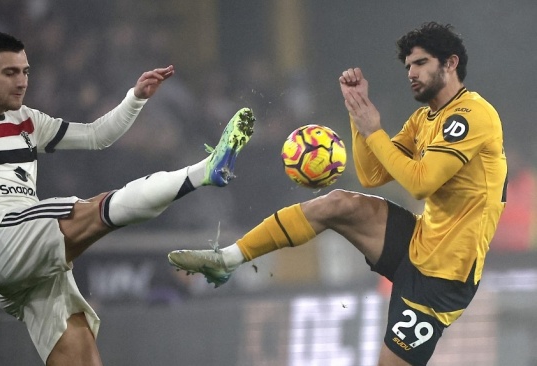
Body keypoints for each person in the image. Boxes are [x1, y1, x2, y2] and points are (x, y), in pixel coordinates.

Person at [0, 30, 256, 366]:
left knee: (81, 353)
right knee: (93, 209)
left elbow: (96, 135)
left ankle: (206, 170)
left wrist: (134, 99)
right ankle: (205, 170)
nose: (22, 82)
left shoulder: (27, 120)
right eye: (10, 73)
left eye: (26, 71)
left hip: (28, 268)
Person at [168, 22, 506, 366]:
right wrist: (359, 118)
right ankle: (229, 258)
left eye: (420, 63)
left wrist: (374, 130)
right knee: (338, 203)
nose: (411, 73)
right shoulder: (424, 119)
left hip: (443, 278)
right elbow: (371, 175)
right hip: (419, 241)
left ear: (450, 63)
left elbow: (421, 183)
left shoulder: (472, 116)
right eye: (408, 67)